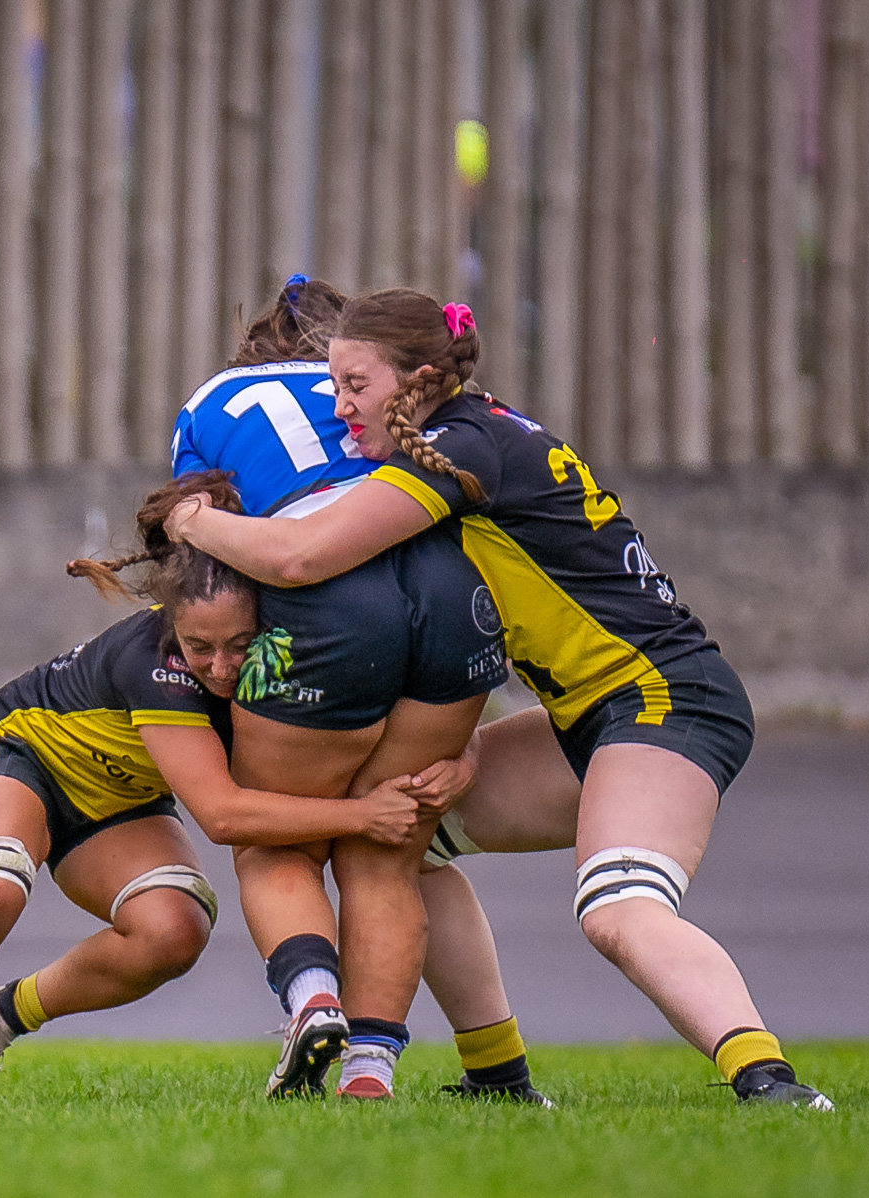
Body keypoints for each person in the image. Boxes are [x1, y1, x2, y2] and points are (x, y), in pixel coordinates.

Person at [167, 286, 832, 1110]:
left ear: (416, 381)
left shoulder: (457, 446)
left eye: (353, 386)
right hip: (586, 715)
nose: (337, 407)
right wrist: (469, 750)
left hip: (665, 700)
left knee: (617, 907)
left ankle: (769, 1082)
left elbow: (302, 555)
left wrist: (190, 521)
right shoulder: (468, 434)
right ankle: (499, 1080)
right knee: (407, 833)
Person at [0, 475, 445, 1099]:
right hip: (25, 754)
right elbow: (222, 815)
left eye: (239, 646)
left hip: (121, 798)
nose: (220, 668)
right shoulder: (154, 660)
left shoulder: (297, 651)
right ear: (173, 624)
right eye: (200, 647)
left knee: (175, 932)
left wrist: (458, 763)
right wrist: (360, 817)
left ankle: (2, 1013)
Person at [173, 274, 546, 1103]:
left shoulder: (213, 401)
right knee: (388, 852)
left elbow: (214, 569)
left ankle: (313, 1004)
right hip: (456, 591)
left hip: (326, 597)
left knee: (279, 845)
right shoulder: (411, 397)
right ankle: (370, 1070)